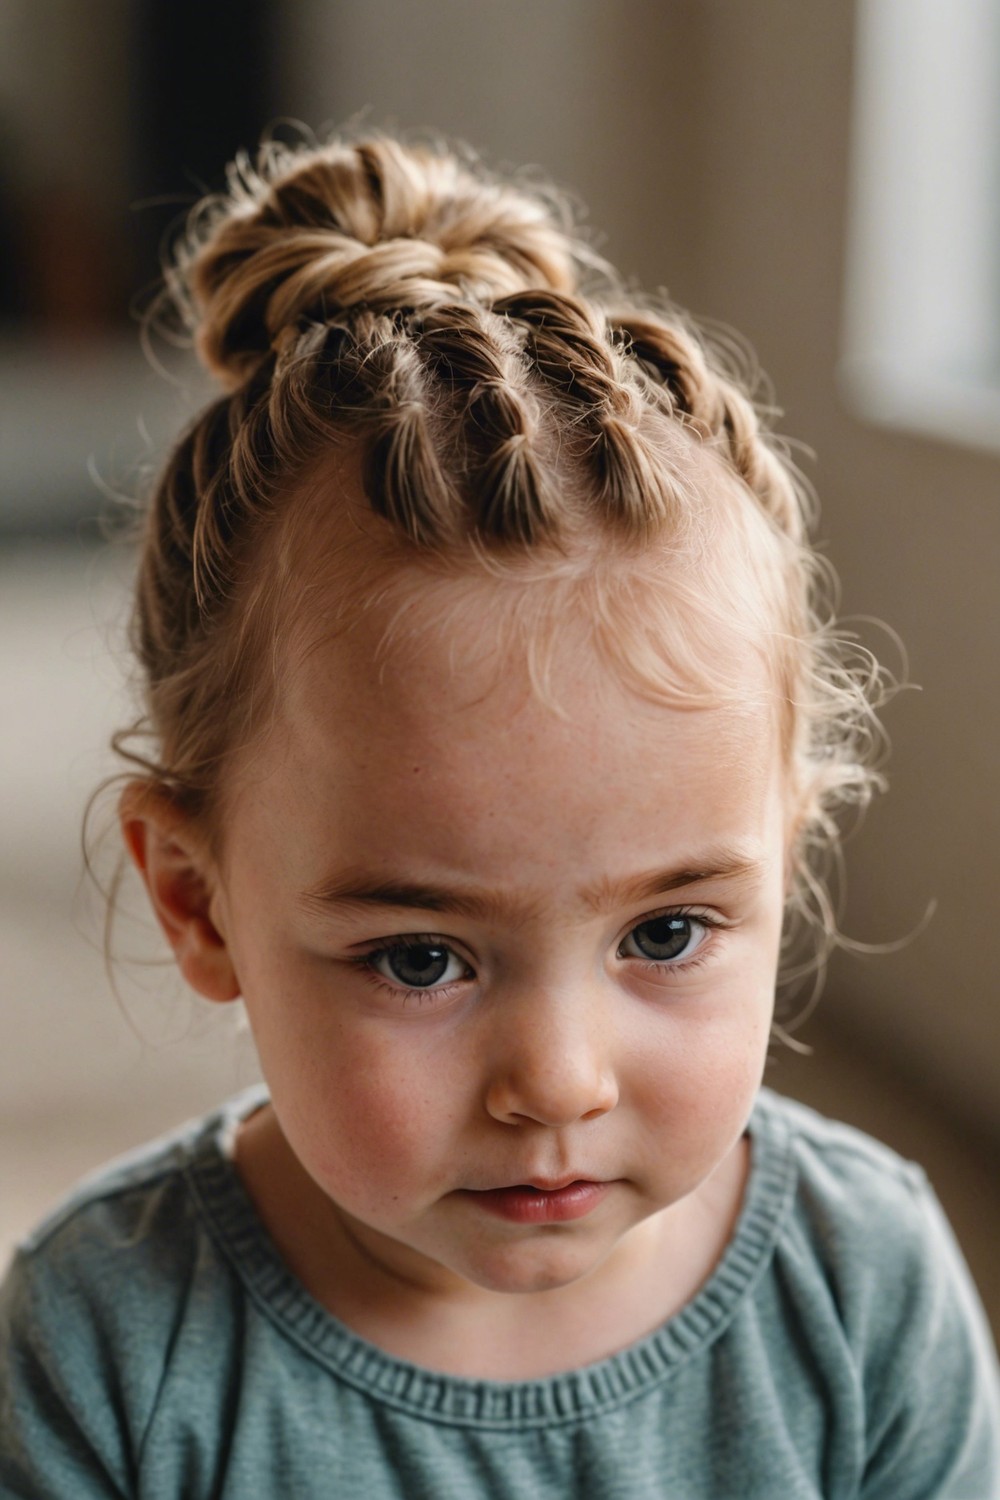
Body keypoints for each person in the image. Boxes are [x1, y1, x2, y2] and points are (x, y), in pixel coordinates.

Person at [1, 130, 997, 1499]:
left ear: (792, 847)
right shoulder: (109, 1347)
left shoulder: (864, 1294)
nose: (559, 1081)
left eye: (667, 933)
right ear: (194, 894)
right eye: (422, 957)